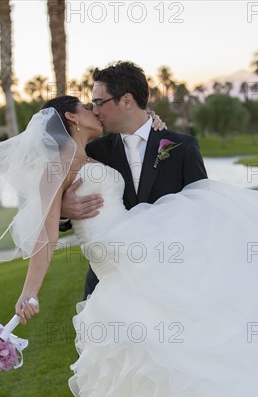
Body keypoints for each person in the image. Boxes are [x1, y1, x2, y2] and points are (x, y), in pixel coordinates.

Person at [0, 95, 258, 397]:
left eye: (97, 103)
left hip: (127, 237)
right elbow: (46, 233)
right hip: (116, 244)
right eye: (87, 107)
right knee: (207, 213)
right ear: (71, 117)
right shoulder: (60, 163)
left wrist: (151, 128)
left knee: (189, 278)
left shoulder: (92, 152)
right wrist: (29, 292)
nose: (94, 112)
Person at [59, 61, 208, 300]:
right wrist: (63, 210)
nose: (94, 111)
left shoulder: (183, 148)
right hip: (108, 282)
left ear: (127, 101)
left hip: (171, 279)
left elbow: (201, 212)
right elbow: (49, 206)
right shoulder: (93, 153)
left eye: (99, 102)